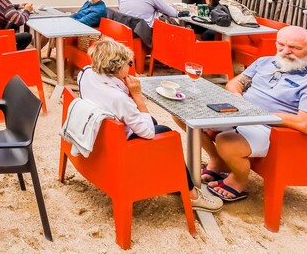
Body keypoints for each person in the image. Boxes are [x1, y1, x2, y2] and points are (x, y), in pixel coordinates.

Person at [78, 39, 223, 212]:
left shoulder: (85, 74)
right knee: (166, 134)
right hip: (121, 148)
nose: (130, 67)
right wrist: (138, 97)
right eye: (129, 63)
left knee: (153, 122)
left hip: (100, 136)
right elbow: (147, 133)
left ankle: (175, 179)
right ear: (118, 67)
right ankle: (192, 195)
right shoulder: (119, 98)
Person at [201, 26, 307, 202]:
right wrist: (238, 98)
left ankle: (238, 180)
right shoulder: (265, 62)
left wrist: (259, 114)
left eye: (294, 47)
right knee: (189, 118)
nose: (285, 51)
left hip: (273, 129)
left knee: (226, 141)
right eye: (281, 45)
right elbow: (235, 83)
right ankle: (217, 160)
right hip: (243, 114)